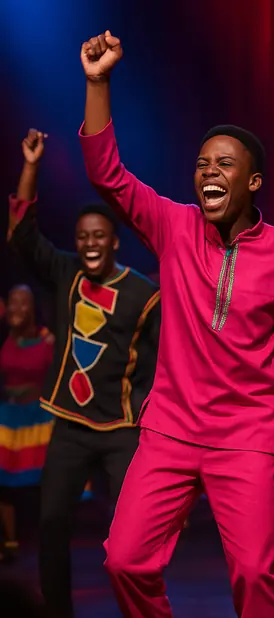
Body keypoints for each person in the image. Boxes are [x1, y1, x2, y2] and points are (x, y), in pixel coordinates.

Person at [78, 31, 274, 618]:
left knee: (258, 577)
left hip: (246, 439)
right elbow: (108, 175)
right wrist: (98, 82)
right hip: (169, 431)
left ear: (252, 182)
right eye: (203, 163)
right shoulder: (173, 226)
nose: (209, 171)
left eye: (225, 164)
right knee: (124, 561)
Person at [8, 128, 160, 618]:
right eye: (83, 238)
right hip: (70, 428)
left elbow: (160, 362)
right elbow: (24, 236)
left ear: (114, 241)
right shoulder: (66, 272)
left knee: (129, 539)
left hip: (120, 433)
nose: (90, 244)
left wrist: (145, 414)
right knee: (52, 523)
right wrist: (31, 166)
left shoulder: (143, 293)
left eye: (99, 236)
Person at [0, 285, 54, 562]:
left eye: (24, 303)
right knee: (3, 482)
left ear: (33, 309)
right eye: (12, 302)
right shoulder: (3, 337)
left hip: (38, 418)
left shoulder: (47, 340)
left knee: (42, 485)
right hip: (8, 417)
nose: (16, 308)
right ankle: (10, 541)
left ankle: (49, 539)